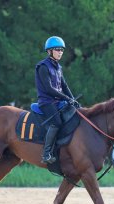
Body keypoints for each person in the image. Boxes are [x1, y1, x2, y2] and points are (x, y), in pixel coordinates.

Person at [35, 36, 79, 164]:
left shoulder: (58, 67)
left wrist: (73, 100)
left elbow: (64, 86)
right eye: (57, 49)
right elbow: (49, 89)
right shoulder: (43, 66)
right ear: (49, 51)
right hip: (46, 102)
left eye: (62, 50)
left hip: (58, 101)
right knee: (57, 123)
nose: (60, 52)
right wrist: (66, 98)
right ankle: (46, 154)